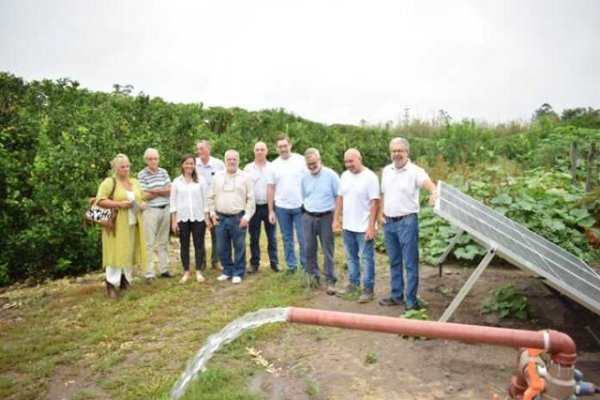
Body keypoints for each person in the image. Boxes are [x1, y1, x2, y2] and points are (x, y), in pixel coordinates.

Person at [378, 137, 437, 310]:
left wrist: (434, 192)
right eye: (393, 151)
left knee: (410, 263)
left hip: (407, 222)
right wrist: (381, 213)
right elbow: (383, 193)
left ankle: (411, 302)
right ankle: (396, 296)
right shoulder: (387, 171)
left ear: (407, 152)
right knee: (394, 261)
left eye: (400, 151)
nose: (396, 154)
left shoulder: (415, 171)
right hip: (389, 223)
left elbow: (429, 185)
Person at [96, 154, 148, 299]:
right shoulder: (109, 182)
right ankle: (111, 284)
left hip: (132, 223)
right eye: (122, 167)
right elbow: (100, 200)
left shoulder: (134, 182)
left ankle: (125, 280)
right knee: (115, 252)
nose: (126, 169)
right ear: (116, 168)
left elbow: (141, 198)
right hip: (115, 225)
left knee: (128, 252)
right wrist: (119, 204)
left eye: (128, 166)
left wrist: (143, 204)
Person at [332, 149, 379, 303]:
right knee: (351, 258)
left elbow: (374, 203)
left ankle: (368, 289)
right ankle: (353, 284)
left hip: (364, 226)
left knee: (367, 259)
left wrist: (371, 226)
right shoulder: (344, 176)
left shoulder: (370, 177)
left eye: (351, 161)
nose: (348, 165)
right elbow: (340, 198)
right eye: (346, 162)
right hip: (348, 226)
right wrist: (336, 219)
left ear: (360, 159)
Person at [208, 150, 255, 284]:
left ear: (238, 161)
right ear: (225, 161)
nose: (232, 161)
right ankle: (227, 270)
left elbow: (251, 199)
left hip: (238, 217)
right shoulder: (217, 177)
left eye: (234, 159)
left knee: (239, 246)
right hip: (220, 218)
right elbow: (210, 197)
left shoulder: (245, 177)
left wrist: (247, 217)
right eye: (229, 159)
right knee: (222, 247)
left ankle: (239, 272)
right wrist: (212, 214)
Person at [267, 134, 308, 273]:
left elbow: (309, 181)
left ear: (290, 145)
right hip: (282, 208)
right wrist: (271, 210)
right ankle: (292, 265)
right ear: (276, 148)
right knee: (287, 238)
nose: (283, 148)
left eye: (285, 145)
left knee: (303, 238)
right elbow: (271, 188)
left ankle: (305, 264)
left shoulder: (301, 160)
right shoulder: (273, 166)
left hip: (300, 206)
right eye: (280, 146)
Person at [301, 148, 339, 294]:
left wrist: (337, 217)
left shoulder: (331, 175)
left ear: (319, 160)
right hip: (308, 216)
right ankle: (313, 278)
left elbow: (339, 196)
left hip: (326, 216)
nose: (312, 166)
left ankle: (330, 280)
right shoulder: (304, 177)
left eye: (314, 163)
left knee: (327, 249)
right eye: (309, 164)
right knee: (309, 248)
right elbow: (303, 195)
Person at [170, 154, 211, 284]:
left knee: (199, 245)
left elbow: (206, 201)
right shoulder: (176, 182)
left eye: (191, 163)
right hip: (182, 218)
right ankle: (186, 272)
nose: (189, 166)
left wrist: (206, 218)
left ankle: (199, 271)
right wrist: (174, 221)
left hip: (198, 217)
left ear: (195, 165)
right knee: (184, 245)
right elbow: (173, 203)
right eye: (186, 163)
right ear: (182, 165)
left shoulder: (201, 181)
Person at [138, 148, 174, 282]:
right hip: (150, 211)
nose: (153, 161)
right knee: (149, 243)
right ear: (146, 160)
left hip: (165, 209)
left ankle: (164, 269)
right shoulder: (142, 174)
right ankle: (149, 273)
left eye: (155, 158)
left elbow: (170, 190)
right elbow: (144, 195)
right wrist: (161, 191)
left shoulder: (163, 172)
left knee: (163, 241)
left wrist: (154, 191)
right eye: (150, 159)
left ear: (158, 159)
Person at [243, 141, 280, 273]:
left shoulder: (273, 167)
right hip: (254, 207)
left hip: (269, 206)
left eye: (262, 149)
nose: (259, 152)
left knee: (272, 237)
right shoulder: (247, 169)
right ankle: (254, 263)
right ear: (254, 151)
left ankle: (274, 262)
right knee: (254, 237)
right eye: (257, 149)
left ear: (267, 151)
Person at [195, 139, 225, 270]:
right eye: (198, 149)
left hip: (215, 204)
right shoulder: (193, 164)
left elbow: (225, 181)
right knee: (199, 234)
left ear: (209, 149)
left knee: (216, 234)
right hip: (198, 204)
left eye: (202, 148)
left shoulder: (218, 164)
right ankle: (201, 262)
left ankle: (216, 260)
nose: (199, 151)